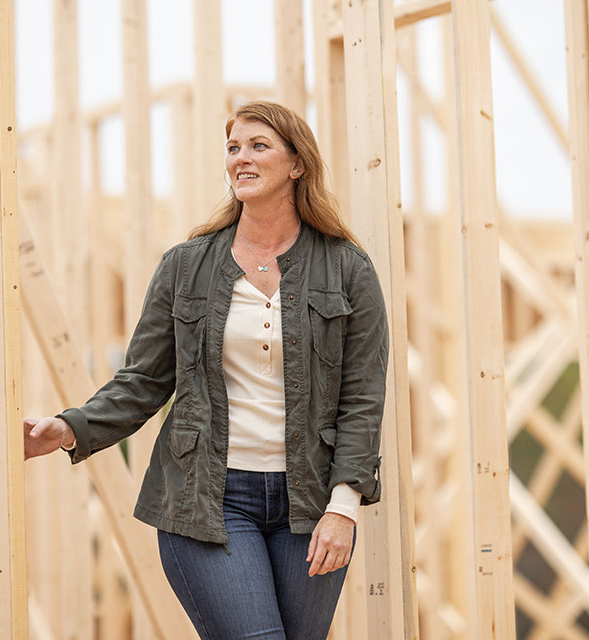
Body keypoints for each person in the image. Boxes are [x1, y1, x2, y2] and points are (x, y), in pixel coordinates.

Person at [23, 100, 388, 639]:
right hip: (206, 499)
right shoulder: (185, 265)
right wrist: (72, 426)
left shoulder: (347, 268)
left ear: (297, 165)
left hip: (310, 504)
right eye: (233, 147)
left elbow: (362, 398)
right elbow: (144, 380)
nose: (241, 158)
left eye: (258, 146)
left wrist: (343, 508)